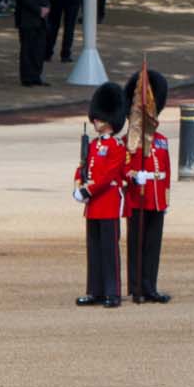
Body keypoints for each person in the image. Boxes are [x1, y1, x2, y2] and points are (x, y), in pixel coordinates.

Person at [74, 81, 129, 308]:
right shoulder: (94, 146)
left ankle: (112, 292)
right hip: (93, 205)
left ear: (110, 119)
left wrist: (88, 189)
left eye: (99, 117)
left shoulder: (116, 147)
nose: (95, 121)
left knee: (109, 249)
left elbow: (108, 175)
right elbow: (83, 167)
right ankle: (95, 290)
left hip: (107, 202)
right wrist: (78, 184)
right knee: (94, 249)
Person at [122, 68, 172, 304]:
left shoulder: (161, 140)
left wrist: (165, 200)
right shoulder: (129, 141)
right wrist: (133, 176)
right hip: (137, 198)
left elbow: (166, 172)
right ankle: (136, 287)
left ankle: (150, 285)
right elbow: (123, 168)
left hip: (156, 199)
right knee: (136, 245)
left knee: (153, 245)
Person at [14, 0, 50, 85]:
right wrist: (38, 9)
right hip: (27, 19)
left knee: (39, 49)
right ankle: (27, 77)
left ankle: (36, 75)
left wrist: (46, 7)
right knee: (27, 49)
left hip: (40, 20)